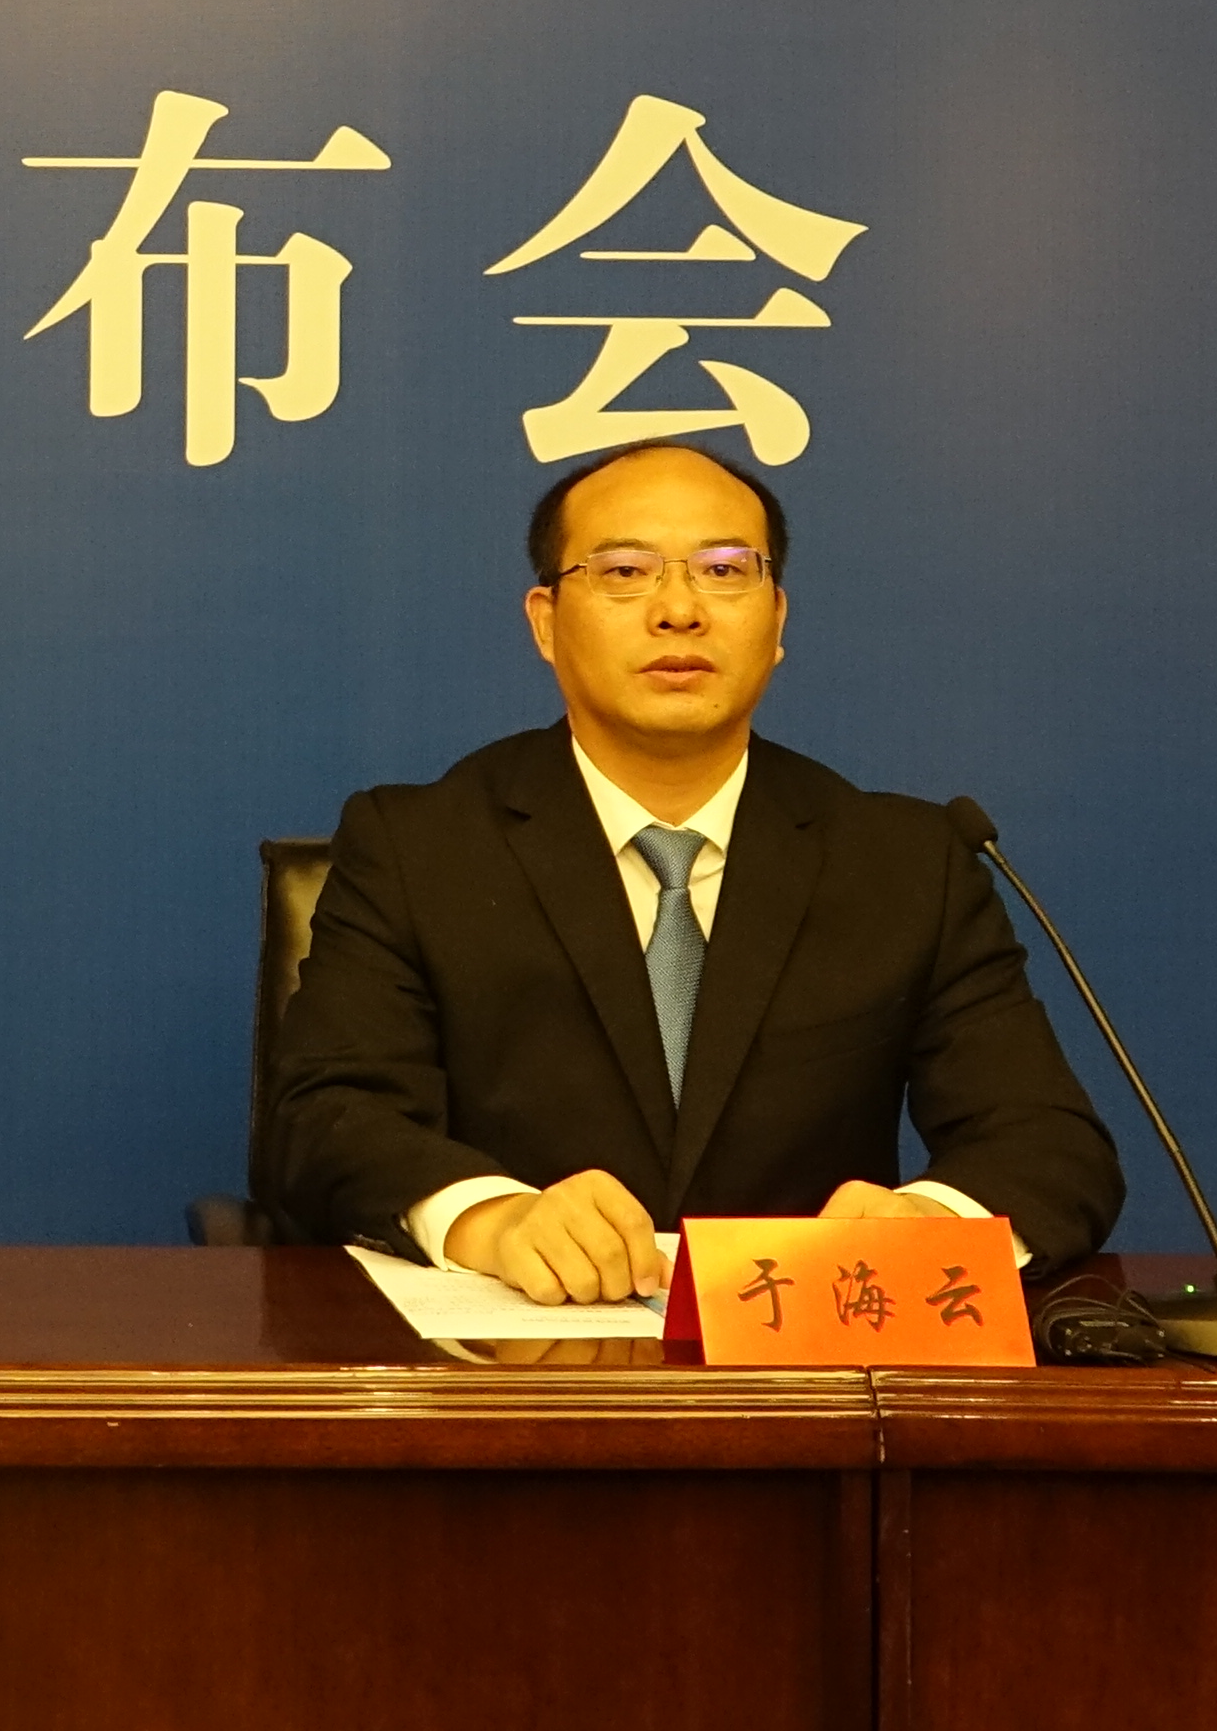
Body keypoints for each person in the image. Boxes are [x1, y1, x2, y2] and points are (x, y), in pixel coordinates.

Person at [256, 442, 1122, 1303]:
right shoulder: (421, 846)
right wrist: (494, 1219)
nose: (678, 610)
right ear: (545, 622)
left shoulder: (906, 861)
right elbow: (326, 1117)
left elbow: (1049, 1144)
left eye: (723, 571)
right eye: (625, 572)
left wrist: (927, 1224)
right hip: (508, 1354)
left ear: (777, 619)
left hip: (802, 1352)